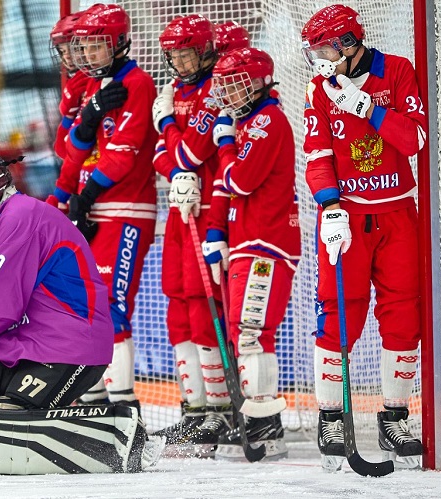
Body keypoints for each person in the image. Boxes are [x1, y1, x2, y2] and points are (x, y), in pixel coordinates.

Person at [0, 151, 162, 474]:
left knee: (9, 414)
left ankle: (117, 428)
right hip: (27, 344)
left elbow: (2, 304)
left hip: (69, 344)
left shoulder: (22, 216)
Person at [300, 4, 427, 471]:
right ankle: (332, 417)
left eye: (325, 48)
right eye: (315, 50)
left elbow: (414, 139)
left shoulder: (396, 71)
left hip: (397, 212)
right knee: (338, 313)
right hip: (345, 217)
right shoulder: (318, 87)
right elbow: (317, 154)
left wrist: (366, 108)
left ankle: (394, 416)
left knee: (402, 312)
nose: (319, 58)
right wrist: (329, 207)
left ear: (350, 42)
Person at [55, 3, 157, 412]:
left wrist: (86, 195)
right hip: (93, 207)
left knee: (112, 307)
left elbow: (123, 156)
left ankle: (123, 407)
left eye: (97, 46)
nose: (87, 55)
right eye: (84, 47)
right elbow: (69, 152)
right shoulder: (93, 87)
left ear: (118, 43)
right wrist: (87, 120)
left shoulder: (138, 83)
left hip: (125, 209)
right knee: (84, 305)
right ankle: (92, 400)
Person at [202, 47, 301, 459]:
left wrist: (224, 144)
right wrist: (218, 232)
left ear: (259, 82)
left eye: (236, 84)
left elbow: (239, 180)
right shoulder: (253, 120)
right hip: (249, 241)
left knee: (252, 333)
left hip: (267, 243)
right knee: (246, 330)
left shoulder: (267, 120)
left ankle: (264, 424)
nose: (228, 92)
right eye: (225, 84)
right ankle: (259, 418)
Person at [147, 14, 229, 458]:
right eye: (173, 55)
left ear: (204, 50)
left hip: (209, 207)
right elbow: (165, 160)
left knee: (201, 308)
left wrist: (164, 127)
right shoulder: (176, 91)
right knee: (176, 304)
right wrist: (171, 151)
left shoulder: (216, 87)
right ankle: (193, 411)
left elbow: (186, 151)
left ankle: (218, 412)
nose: (179, 62)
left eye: (185, 52)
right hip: (179, 213)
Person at [47, 11, 89, 210]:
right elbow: (62, 148)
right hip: (81, 181)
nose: (67, 58)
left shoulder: (92, 84)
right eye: (63, 52)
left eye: (71, 50)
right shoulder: (74, 86)